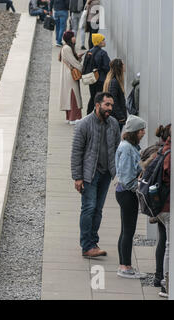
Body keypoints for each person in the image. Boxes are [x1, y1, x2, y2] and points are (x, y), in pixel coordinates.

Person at [71, 92, 121, 257]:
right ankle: (87, 246)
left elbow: (117, 147)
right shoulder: (84, 124)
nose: (110, 109)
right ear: (97, 105)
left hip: (106, 173)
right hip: (89, 174)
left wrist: (117, 171)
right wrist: (77, 177)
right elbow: (76, 152)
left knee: (98, 209)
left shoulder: (113, 124)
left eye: (111, 105)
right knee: (89, 207)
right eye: (107, 105)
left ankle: (93, 242)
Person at [115, 115, 147, 279]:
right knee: (128, 230)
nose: (143, 133)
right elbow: (128, 179)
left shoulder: (129, 146)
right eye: (141, 130)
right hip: (127, 193)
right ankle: (125, 267)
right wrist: (142, 189)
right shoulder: (127, 148)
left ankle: (124, 265)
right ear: (134, 131)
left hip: (123, 192)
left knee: (125, 230)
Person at [155, 125, 171, 298]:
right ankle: (166, 284)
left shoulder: (162, 150)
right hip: (167, 207)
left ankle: (161, 279)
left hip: (161, 207)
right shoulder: (170, 155)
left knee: (164, 242)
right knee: (169, 245)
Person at [59, 30, 84, 124]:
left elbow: (72, 60)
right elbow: (73, 62)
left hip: (67, 74)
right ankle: (74, 117)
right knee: (73, 95)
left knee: (69, 95)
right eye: (73, 36)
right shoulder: (67, 48)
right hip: (69, 75)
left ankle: (69, 117)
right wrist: (83, 69)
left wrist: (78, 57)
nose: (74, 38)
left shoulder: (66, 48)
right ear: (70, 38)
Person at [85, 33, 110, 115]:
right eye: (103, 40)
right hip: (100, 79)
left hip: (91, 78)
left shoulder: (89, 52)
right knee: (99, 98)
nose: (104, 41)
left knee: (92, 97)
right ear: (99, 42)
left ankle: (88, 114)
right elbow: (107, 67)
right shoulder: (103, 53)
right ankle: (98, 114)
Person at [103, 59, 127, 131]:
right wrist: (121, 116)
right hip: (116, 118)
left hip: (115, 117)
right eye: (123, 64)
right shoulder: (114, 82)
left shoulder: (113, 80)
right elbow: (113, 101)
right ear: (119, 67)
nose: (124, 66)